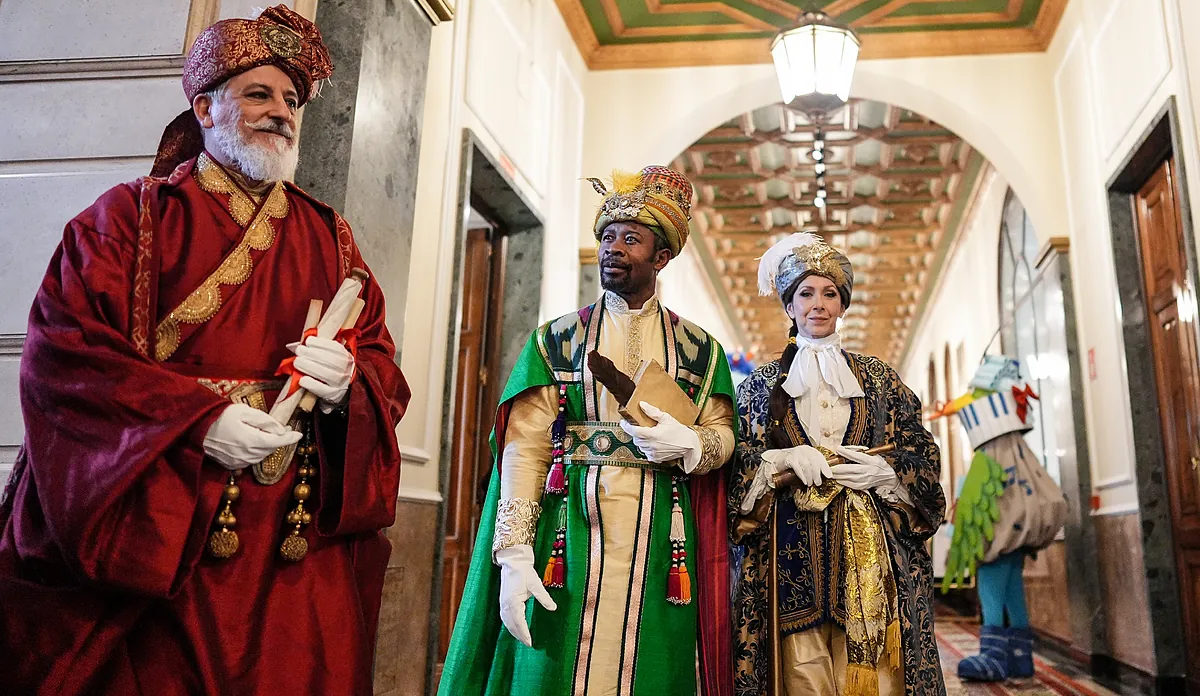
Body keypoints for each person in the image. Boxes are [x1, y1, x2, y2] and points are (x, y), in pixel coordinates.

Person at [0, 5, 410, 695]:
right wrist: (198, 422)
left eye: (290, 99)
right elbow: (66, 358)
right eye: (258, 94)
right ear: (204, 107)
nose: (280, 111)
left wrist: (350, 382)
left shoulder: (330, 233)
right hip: (164, 526)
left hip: (288, 540)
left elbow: (380, 363)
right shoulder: (126, 218)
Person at [440, 166, 736, 696]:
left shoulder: (700, 349)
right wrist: (512, 551)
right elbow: (525, 447)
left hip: (661, 538)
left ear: (662, 257)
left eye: (630, 239)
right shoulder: (554, 340)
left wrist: (695, 446)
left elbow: (722, 432)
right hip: (568, 533)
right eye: (606, 237)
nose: (612, 248)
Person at [729, 233, 946, 696]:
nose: (818, 304)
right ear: (789, 306)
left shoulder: (881, 380)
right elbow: (735, 465)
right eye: (806, 293)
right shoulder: (760, 385)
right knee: (801, 676)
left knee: (873, 679)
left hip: (871, 559)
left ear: (842, 304)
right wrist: (776, 461)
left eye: (830, 293)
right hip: (788, 557)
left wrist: (886, 476)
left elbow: (924, 457)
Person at [939, 356, 1067, 682]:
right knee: (1014, 592)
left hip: (995, 539)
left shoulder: (986, 463)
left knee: (992, 590)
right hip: (1020, 537)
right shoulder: (1024, 459)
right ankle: (1021, 659)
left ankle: (993, 656)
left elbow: (974, 512)